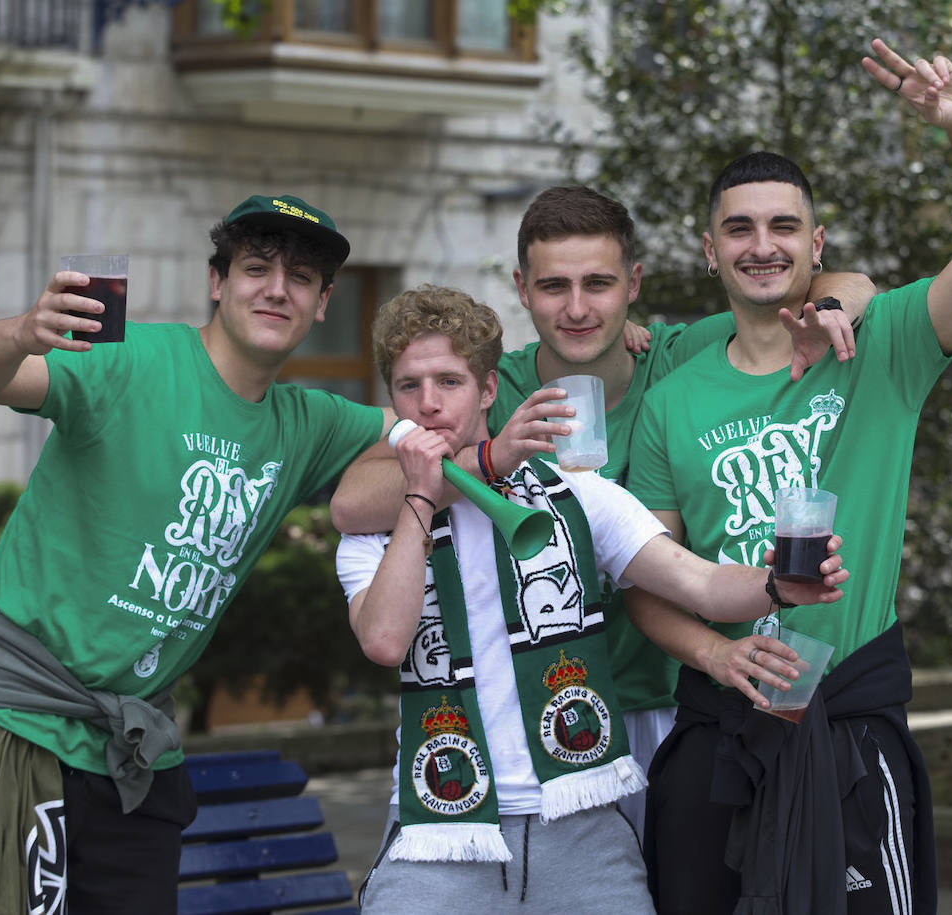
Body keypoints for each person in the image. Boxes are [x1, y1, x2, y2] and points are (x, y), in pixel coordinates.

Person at [0, 195, 391, 915]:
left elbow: (434, 428)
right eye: (256, 267)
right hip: (12, 717)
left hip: (131, 756)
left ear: (323, 302)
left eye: (300, 278)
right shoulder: (126, 358)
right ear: (217, 282)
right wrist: (23, 330)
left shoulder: (309, 421)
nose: (276, 288)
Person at [623, 38, 952, 914]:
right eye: (739, 227)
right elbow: (645, 573)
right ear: (709, 250)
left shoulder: (886, 342)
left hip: (849, 720)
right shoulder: (672, 401)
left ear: (816, 243)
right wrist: (714, 651)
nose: (762, 244)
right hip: (722, 721)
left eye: (783, 226)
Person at [329, 184, 874, 831]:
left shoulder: (678, 359)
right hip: (532, 717)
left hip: (664, 696)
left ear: (633, 283)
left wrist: (832, 303)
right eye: (555, 286)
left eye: (600, 284)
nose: (578, 308)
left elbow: (832, 285)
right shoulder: (475, 387)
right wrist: (491, 456)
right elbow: (355, 498)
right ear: (522, 289)